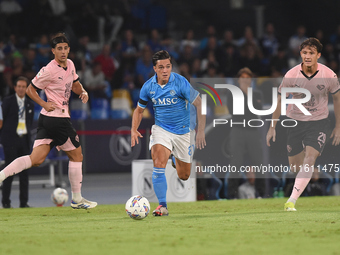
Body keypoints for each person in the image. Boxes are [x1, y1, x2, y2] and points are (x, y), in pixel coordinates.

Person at [0, 33, 97, 209]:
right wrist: (44, 103)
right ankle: (77, 200)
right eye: (59, 48)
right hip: (57, 118)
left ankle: (2, 175)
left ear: (69, 49)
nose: (63, 51)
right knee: (77, 155)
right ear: (53, 51)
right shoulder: (49, 69)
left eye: (65, 48)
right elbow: (30, 89)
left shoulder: (71, 65)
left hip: (47, 120)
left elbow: (75, 84)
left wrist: (82, 91)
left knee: (35, 159)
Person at [266, 38, 340, 211]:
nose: (307, 56)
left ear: (318, 55)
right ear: (300, 54)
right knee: (295, 167)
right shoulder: (291, 75)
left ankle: (291, 201)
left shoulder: (329, 75)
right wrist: (272, 127)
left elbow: (337, 98)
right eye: (305, 53)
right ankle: (300, 187)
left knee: (310, 158)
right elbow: (280, 100)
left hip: (318, 122)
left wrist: (338, 126)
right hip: (295, 122)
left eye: (311, 53)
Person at [131, 50, 206, 216]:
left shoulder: (180, 82)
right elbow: (139, 110)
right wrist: (133, 129)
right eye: (161, 67)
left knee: (184, 175)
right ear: (155, 69)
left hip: (184, 132)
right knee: (157, 162)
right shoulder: (148, 87)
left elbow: (199, 104)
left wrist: (200, 131)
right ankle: (162, 206)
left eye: (168, 66)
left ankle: (175, 158)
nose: (165, 70)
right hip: (162, 129)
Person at [227, 67, 265, 199]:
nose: (246, 80)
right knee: (235, 162)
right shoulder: (233, 94)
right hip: (238, 130)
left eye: (248, 78)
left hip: (253, 131)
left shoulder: (257, 94)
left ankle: (261, 193)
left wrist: (248, 98)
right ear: (238, 80)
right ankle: (232, 195)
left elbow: (258, 111)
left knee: (259, 162)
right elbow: (234, 111)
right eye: (243, 78)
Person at [0, 76, 33, 208]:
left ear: (27, 88)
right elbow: (2, 122)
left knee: (25, 174)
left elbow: (29, 123)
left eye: (23, 87)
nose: (21, 89)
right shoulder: (7, 102)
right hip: (11, 142)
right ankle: (6, 202)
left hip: (24, 141)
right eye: (18, 86)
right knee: (9, 171)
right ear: (14, 88)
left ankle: (24, 202)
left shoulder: (30, 104)